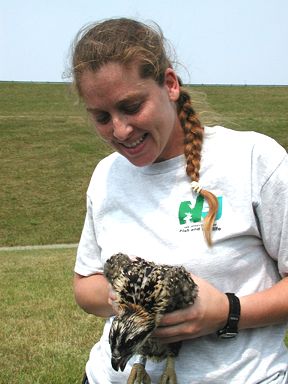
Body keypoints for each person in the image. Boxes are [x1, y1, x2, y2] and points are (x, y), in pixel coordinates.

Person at [71, 17, 288, 384]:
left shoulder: (253, 160)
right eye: (102, 117)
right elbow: (84, 285)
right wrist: (134, 294)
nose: (120, 130)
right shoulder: (106, 176)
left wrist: (227, 311)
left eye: (132, 106)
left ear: (170, 85)